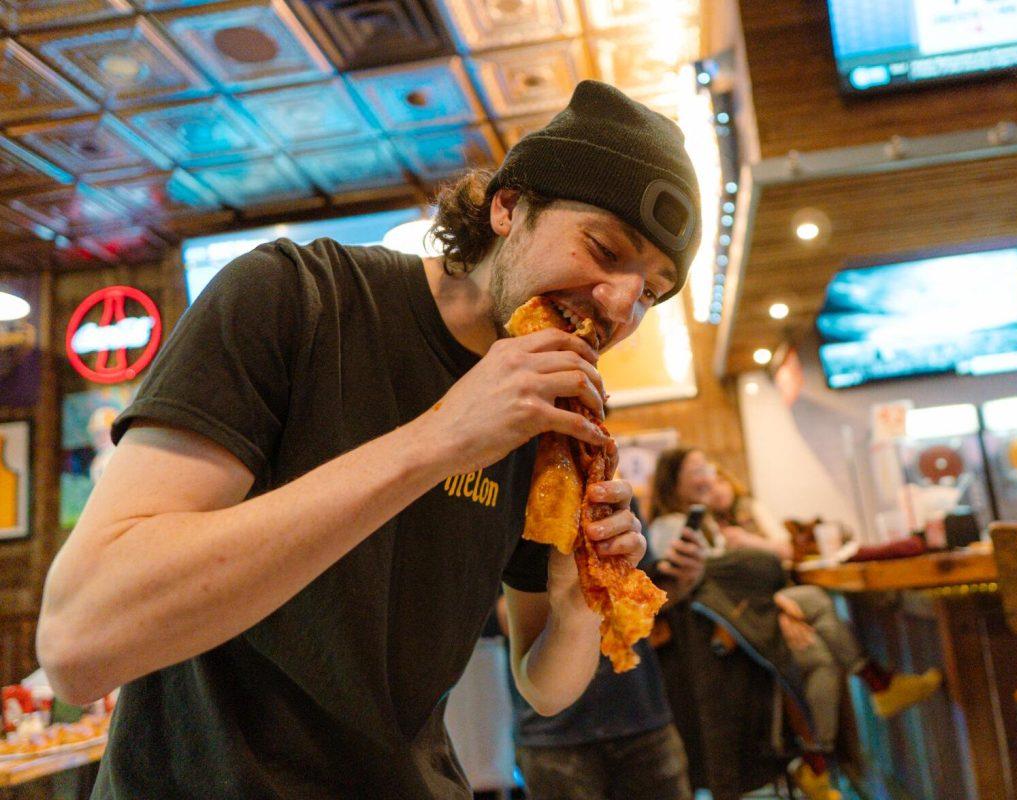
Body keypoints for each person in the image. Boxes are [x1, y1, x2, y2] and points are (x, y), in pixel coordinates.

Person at [35, 80, 701, 800]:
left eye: (651, 291)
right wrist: (442, 438)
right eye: (603, 248)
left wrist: (577, 607)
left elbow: (542, 687)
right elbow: (80, 640)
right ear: (509, 206)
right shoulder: (296, 298)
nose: (619, 305)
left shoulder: (546, 419)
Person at [648, 448, 941, 800]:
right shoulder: (668, 527)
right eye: (695, 470)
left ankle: (820, 760)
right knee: (815, 626)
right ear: (673, 481)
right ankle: (871, 691)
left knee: (818, 652)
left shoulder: (708, 521)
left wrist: (770, 598)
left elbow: (732, 576)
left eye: (707, 468)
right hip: (721, 643)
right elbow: (694, 587)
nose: (706, 476)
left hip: (746, 616)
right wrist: (770, 600)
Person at [498, 497, 706, 800]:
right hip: (556, 730)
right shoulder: (509, 491)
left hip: (639, 711)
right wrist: (571, 598)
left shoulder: (611, 493)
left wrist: (681, 580)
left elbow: (639, 593)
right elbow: (501, 615)